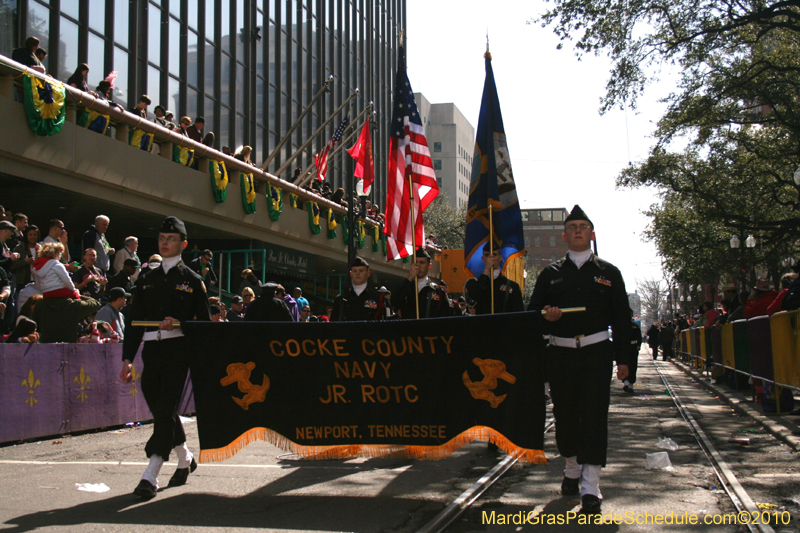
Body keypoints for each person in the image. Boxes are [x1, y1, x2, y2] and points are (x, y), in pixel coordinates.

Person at [529, 205, 632, 516]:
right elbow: (533, 315)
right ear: (564, 235)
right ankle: (572, 466)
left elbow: (622, 320)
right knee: (565, 415)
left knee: (594, 415)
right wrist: (548, 316)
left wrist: (625, 360)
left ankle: (591, 485)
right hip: (560, 354)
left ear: (592, 234)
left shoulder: (608, 273)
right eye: (572, 226)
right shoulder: (550, 274)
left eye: (583, 226)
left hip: (596, 353)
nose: (577, 230)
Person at [120, 216, 211, 500]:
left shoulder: (193, 281)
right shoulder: (146, 278)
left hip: (177, 350)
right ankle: (185, 458)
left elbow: (203, 323)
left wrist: (180, 321)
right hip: (151, 349)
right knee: (162, 409)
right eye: (162, 238)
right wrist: (127, 359)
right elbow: (134, 321)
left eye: (171, 239)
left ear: (183, 244)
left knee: (167, 405)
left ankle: (151, 473)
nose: (165, 242)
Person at [464, 242, 524, 315]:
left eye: (494, 255)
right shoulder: (473, 284)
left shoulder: (512, 286)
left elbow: (519, 314)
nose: (491, 258)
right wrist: (486, 270)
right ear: (483, 258)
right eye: (487, 255)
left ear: (500, 258)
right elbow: (475, 296)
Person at [394, 248, 453, 319]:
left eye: (422, 263)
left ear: (429, 266)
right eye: (415, 262)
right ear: (411, 264)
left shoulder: (438, 291)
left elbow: (445, 316)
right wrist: (409, 277)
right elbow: (395, 303)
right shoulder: (405, 286)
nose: (418, 266)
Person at [331, 257, 386, 321]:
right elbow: (333, 325)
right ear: (351, 274)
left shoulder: (377, 299)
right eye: (354, 271)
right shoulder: (341, 299)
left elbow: (382, 326)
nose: (357, 273)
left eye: (361, 271)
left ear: (368, 273)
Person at [622, 315, 642, 393]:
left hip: (632, 347)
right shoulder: (622, 325)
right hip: (625, 347)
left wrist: (638, 345)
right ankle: (626, 383)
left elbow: (639, 337)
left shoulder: (635, 326)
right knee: (625, 364)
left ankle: (630, 384)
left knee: (632, 365)